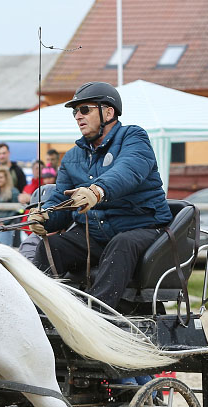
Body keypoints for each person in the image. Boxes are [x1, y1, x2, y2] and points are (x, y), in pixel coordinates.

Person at [27, 81, 172, 309]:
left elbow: (128, 171)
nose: (78, 116)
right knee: (52, 245)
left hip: (141, 229)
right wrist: (45, 217)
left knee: (121, 244)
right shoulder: (72, 157)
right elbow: (60, 203)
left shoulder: (134, 138)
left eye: (85, 109)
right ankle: (39, 310)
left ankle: (97, 318)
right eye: (75, 112)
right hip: (97, 235)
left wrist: (97, 191)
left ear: (108, 112)